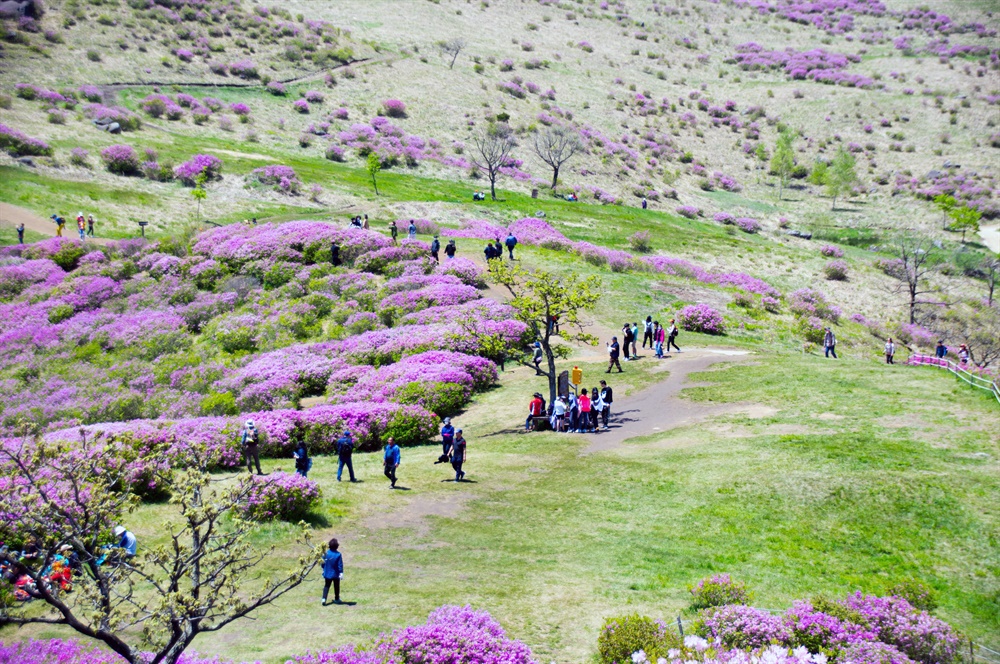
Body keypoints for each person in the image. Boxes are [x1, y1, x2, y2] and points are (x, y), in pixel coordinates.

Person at [321, 538, 343, 605]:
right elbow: (340, 565)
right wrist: (341, 572)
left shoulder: (326, 553)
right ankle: (337, 598)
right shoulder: (338, 554)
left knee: (326, 586)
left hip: (327, 573)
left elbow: (322, 562)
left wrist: (323, 569)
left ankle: (324, 599)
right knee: (336, 586)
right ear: (337, 546)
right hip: (336, 574)